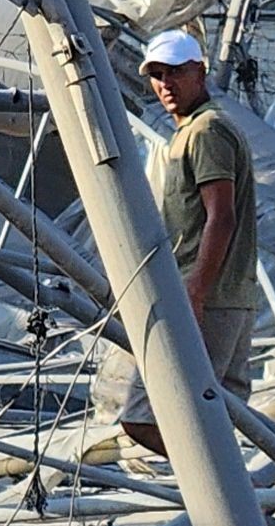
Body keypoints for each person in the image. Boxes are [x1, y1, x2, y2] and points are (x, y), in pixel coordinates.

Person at [102, 29, 257, 455]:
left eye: (177, 72)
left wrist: (195, 290)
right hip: (228, 296)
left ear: (200, 73)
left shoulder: (206, 132)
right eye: (157, 74)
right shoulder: (198, 131)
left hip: (209, 299)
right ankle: (237, 504)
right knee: (213, 418)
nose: (166, 84)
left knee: (144, 416)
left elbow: (220, 217)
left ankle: (230, 499)